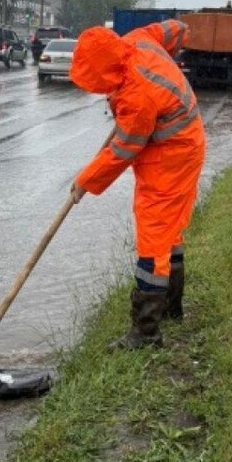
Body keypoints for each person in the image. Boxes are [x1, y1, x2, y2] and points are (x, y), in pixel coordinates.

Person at [69, 20, 207, 349]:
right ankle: (172, 308)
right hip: (185, 143)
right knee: (170, 231)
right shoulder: (139, 39)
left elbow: (122, 150)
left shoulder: (137, 97)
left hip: (171, 156)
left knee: (153, 239)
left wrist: (84, 182)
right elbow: (177, 29)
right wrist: (169, 57)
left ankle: (145, 332)